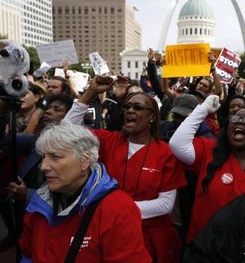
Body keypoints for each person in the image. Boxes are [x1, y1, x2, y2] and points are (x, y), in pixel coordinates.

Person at [65, 75, 186, 263]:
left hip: (150, 239)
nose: (130, 110)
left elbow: (165, 204)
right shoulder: (108, 141)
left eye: (137, 108)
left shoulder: (166, 153)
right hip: (108, 232)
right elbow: (66, 131)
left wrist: (116, 210)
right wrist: (90, 93)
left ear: (152, 116)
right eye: (127, 107)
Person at [19, 122, 151, 262]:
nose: (44, 166)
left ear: (85, 161)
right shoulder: (39, 203)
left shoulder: (117, 209)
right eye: (43, 157)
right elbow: (28, 255)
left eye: (55, 157)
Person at [169, 95, 245, 241]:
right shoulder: (209, 150)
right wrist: (203, 109)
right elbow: (177, 144)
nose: (239, 122)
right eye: (234, 119)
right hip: (204, 248)